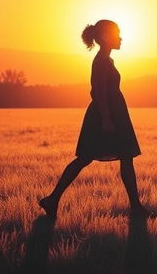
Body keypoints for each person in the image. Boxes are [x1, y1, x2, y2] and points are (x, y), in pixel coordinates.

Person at [39, 19, 150, 219]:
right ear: (106, 37)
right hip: (105, 115)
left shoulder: (106, 59)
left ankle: (136, 207)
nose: (121, 38)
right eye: (117, 34)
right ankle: (52, 199)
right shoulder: (100, 61)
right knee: (88, 158)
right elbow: (97, 91)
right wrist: (107, 119)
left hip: (112, 113)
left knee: (122, 158)